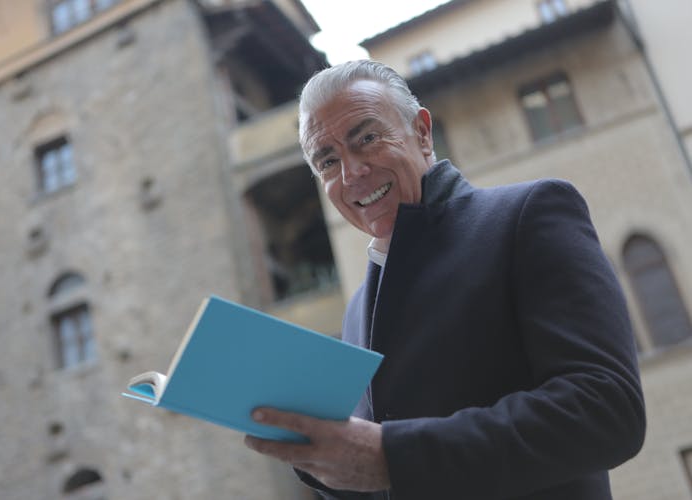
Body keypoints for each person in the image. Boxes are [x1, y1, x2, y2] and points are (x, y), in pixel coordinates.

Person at [244, 60, 646, 499]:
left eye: (368, 139)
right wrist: (318, 456)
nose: (351, 172)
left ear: (421, 132)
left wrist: (391, 454)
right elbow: (385, 478)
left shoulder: (529, 214)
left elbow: (607, 409)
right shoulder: (358, 306)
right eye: (327, 160)